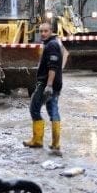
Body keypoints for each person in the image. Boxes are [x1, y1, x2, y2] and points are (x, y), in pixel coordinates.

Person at [23, 22, 63, 152]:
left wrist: (49, 86)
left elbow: (53, 67)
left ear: (51, 31)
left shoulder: (52, 45)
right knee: (53, 110)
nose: (43, 33)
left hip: (47, 84)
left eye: (46, 31)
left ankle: (37, 140)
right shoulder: (51, 43)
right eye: (41, 31)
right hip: (54, 84)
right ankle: (55, 143)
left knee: (34, 108)